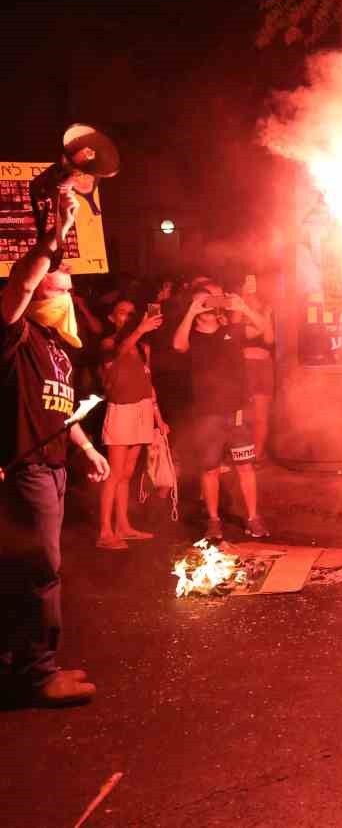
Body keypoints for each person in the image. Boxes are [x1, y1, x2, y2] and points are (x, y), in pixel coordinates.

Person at [1, 185, 108, 706]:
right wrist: (54, 234)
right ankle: (39, 675)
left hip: (55, 465)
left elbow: (60, 413)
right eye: (56, 288)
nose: (65, 295)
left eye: (68, 288)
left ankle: (18, 660)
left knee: (26, 569)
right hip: (25, 470)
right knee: (41, 572)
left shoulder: (57, 349)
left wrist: (85, 450)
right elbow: (19, 285)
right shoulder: (17, 337)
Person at [173, 282, 272, 540]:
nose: (208, 305)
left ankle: (253, 518)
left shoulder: (232, 330)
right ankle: (214, 521)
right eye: (202, 302)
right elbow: (178, 346)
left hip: (237, 412)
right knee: (210, 469)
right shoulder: (191, 335)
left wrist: (244, 308)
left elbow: (263, 329)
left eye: (211, 300)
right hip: (207, 414)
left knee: (245, 467)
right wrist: (191, 313)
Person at [96, 299, 169, 549]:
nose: (127, 317)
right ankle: (105, 532)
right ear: (111, 318)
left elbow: (148, 382)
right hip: (122, 410)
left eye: (131, 313)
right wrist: (140, 329)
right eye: (122, 313)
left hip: (142, 409)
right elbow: (118, 353)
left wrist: (158, 417)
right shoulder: (108, 343)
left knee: (127, 474)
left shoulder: (142, 347)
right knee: (114, 474)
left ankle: (123, 526)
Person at [239, 274, 276, 463]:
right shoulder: (237, 309)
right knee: (244, 415)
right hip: (244, 366)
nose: (251, 287)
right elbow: (239, 333)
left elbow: (269, 339)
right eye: (247, 283)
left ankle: (257, 456)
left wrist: (266, 317)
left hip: (263, 366)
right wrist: (242, 299)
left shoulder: (266, 309)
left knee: (261, 415)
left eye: (253, 283)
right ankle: (242, 455)